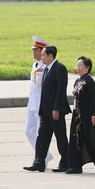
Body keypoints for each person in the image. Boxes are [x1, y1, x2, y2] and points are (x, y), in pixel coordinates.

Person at [24, 45, 71, 172]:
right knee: (42, 137)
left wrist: (56, 109)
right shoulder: (46, 69)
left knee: (60, 137)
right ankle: (39, 162)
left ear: (51, 56)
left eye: (44, 55)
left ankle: (66, 163)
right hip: (44, 111)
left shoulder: (59, 68)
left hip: (55, 111)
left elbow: (61, 91)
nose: (42, 57)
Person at [67, 56, 95, 174]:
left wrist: (94, 114)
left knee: (92, 139)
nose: (78, 68)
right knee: (76, 139)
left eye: (80, 66)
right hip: (77, 115)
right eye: (77, 66)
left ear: (87, 67)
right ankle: (75, 166)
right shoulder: (78, 81)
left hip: (87, 115)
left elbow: (93, 100)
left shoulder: (90, 81)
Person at [25, 36, 53, 164]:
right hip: (32, 104)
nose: (34, 52)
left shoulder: (46, 66)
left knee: (39, 133)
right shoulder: (35, 64)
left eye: (36, 50)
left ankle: (41, 159)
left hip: (40, 105)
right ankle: (45, 155)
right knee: (28, 131)